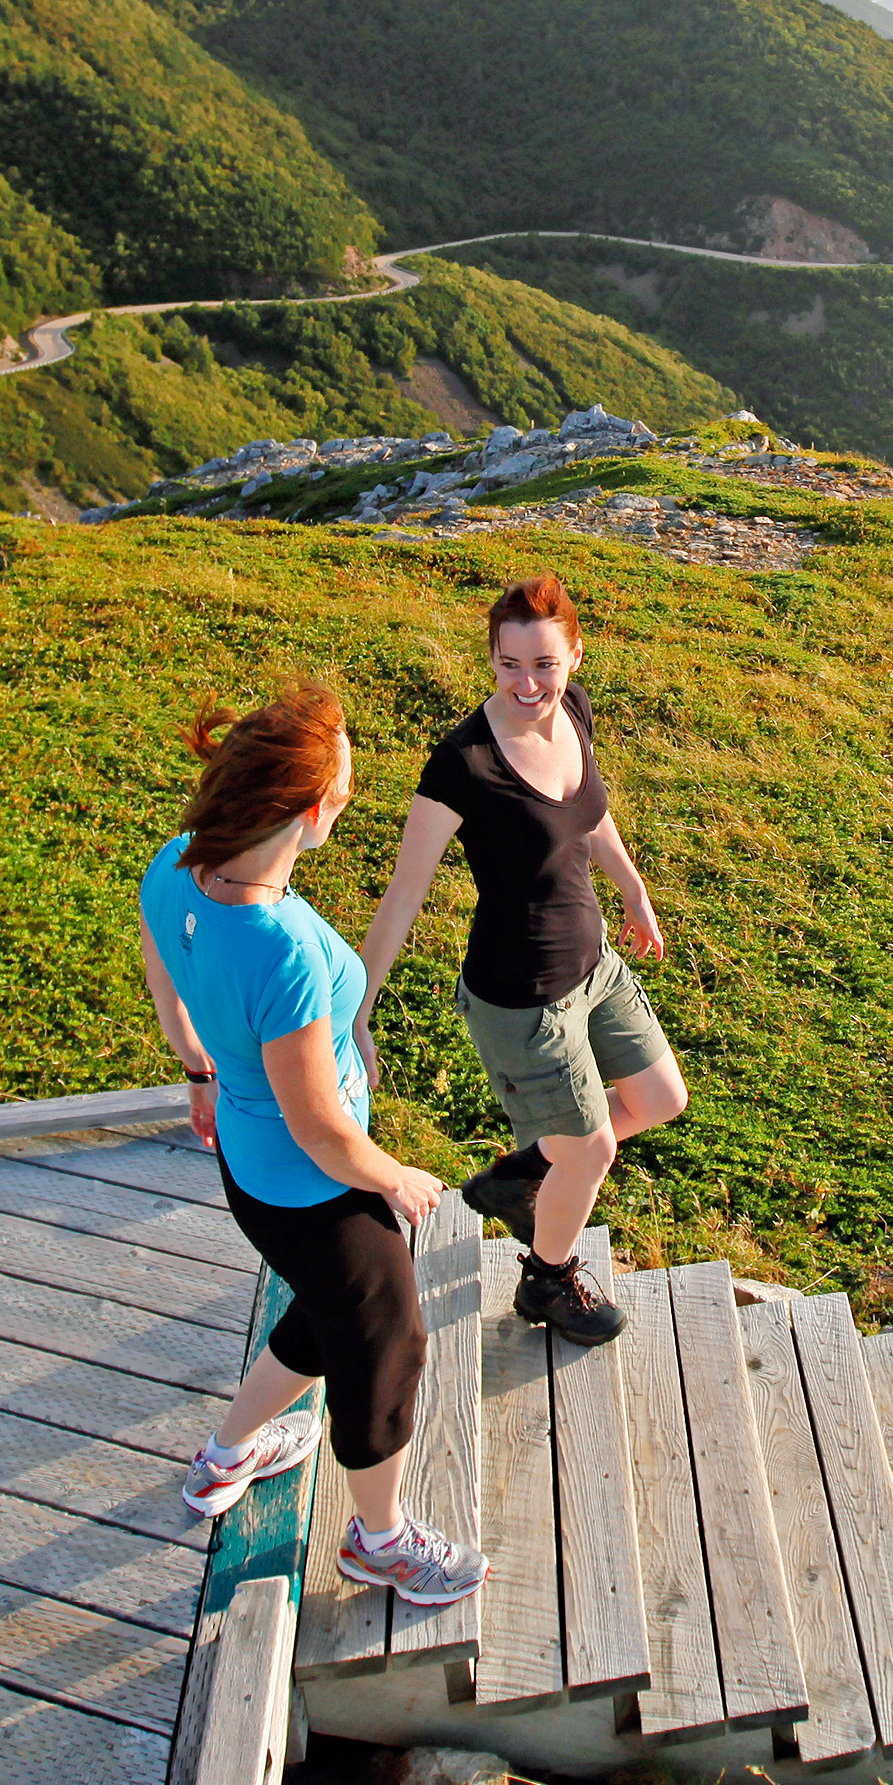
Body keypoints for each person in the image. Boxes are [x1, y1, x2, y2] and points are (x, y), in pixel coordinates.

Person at [136, 683, 488, 1607]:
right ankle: (379, 1539)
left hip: (252, 1169)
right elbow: (322, 1128)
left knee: (330, 1313)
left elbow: (162, 969)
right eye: (344, 787)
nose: (349, 797)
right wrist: (398, 1177)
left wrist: (200, 1067)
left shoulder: (177, 866)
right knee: (388, 1345)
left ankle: (225, 1459)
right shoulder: (280, 947)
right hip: (313, 1188)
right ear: (308, 809)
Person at [357, 574, 683, 1347]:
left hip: (593, 964)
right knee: (594, 1147)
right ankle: (546, 1276)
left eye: (543, 662)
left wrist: (633, 892)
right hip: (521, 998)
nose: (527, 682)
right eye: (509, 664)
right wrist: (359, 1014)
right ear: (493, 660)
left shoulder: (571, 711)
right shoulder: (463, 763)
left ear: (574, 654)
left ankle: (523, 1172)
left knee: (660, 1097)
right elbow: (403, 895)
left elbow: (591, 813)